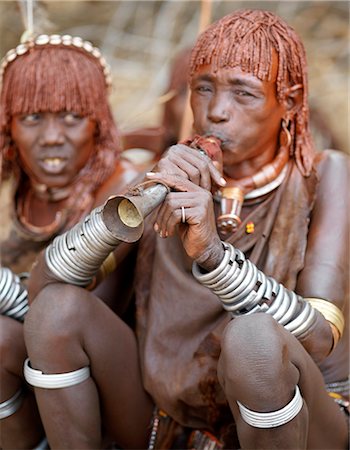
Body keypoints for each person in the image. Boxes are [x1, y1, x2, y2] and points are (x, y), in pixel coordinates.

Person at [24, 9, 349, 450]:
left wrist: (213, 255)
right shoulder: (164, 177)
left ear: (288, 102)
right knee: (57, 311)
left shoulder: (328, 176)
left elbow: (317, 339)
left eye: (244, 94)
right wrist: (138, 198)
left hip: (303, 420)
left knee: (253, 340)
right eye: (203, 89)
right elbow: (45, 291)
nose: (216, 111)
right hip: (165, 421)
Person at [0, 33, 147, 449]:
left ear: (100, 122)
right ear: (7, 124)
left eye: (71, 117)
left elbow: (67, 318)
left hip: (119, 397)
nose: (51, 137)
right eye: (31, 118)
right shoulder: (18, 191)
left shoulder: (127, 191)